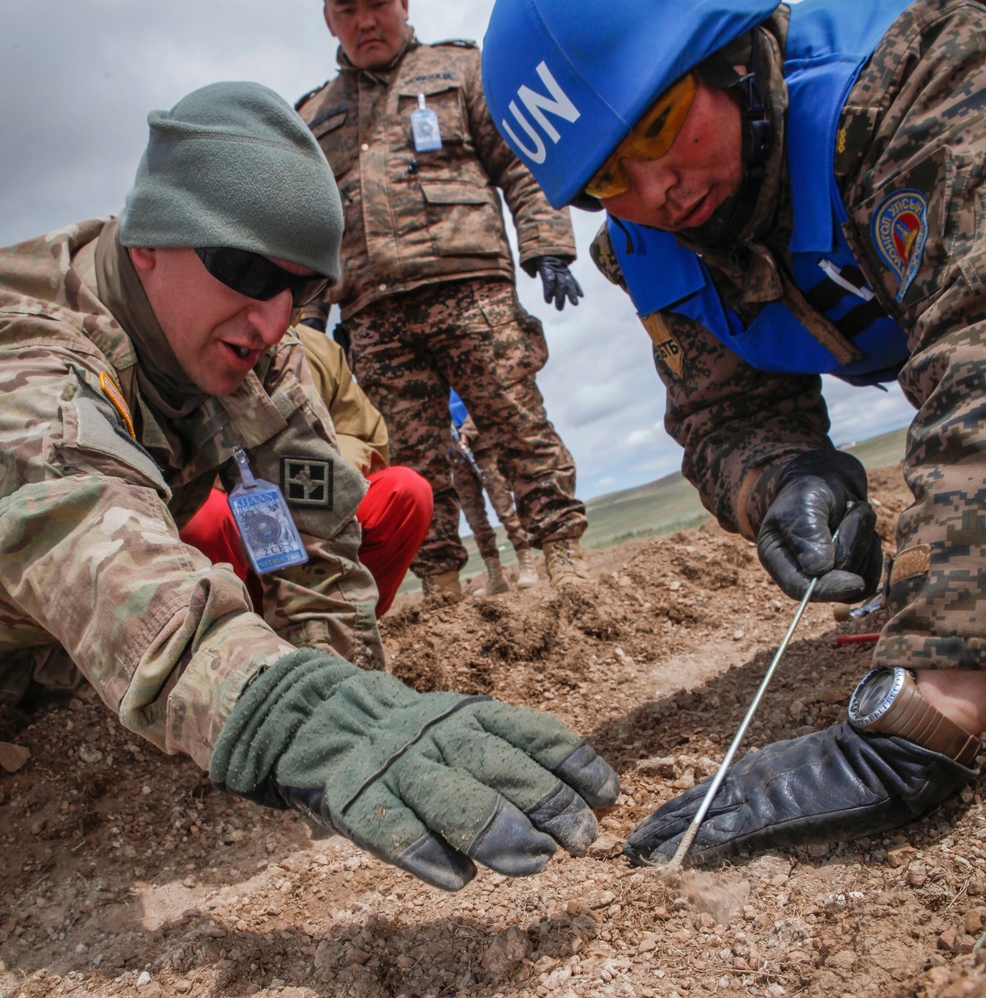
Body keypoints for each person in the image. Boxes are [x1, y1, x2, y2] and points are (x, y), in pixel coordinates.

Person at [0, 80, 618, 892]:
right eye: (245, 270)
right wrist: (301, 720)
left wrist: (364, 716)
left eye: (299, 289)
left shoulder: (258, 356)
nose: (269, 318)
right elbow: (92, 549)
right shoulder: (31, 358)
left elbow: (319, 543)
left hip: (49, 665)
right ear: (147, 237)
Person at [482, 0, 986, 863]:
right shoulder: (649, 245)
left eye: (659, 127)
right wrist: (787, 486)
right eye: (603, 181)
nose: (651, 196)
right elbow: (723, 415)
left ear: (732, 53)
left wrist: (931, 704)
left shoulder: (920, 82)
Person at [295, 0, 589, 598]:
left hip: (470, 288)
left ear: (402, 0)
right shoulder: (313, 116)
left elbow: (520, 161)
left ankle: (564, 557)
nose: (366, 20)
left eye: (378, 2)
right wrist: (309, 320)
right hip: (371, 315)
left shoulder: (460, 71)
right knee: (409, 456)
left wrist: (546, 243)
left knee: (515, 421)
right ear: (329, 19)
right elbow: (313, 226)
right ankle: (440, 586)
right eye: (347, 9)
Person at [180, 323, 434, 617]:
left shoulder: (320, 348)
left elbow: (363, 434)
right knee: (203, 519)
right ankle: (232, 631)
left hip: (314, 502)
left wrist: (312, 487)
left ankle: (347, 622)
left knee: (406, 491)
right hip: (236, 524)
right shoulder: (187, 342)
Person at [447, 389, 539, 595]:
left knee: (504, 507)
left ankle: (527, 565)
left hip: (483, 447)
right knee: (475, 518)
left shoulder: (456, 372)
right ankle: (495, 576)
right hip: (454, 458)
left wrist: (466, 434)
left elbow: (480, 398)